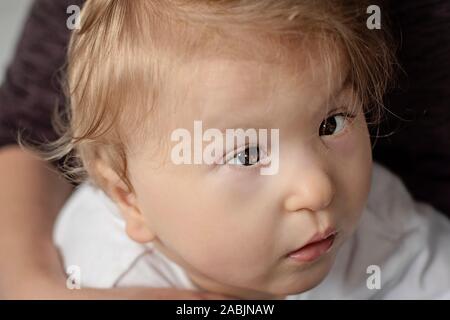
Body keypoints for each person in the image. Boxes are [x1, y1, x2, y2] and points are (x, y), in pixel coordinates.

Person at [47, 0, 450, 299]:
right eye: (247, 155)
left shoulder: (390, 234)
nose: (317, 189)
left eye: (331, 123)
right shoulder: (100, 274)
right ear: (129, 199)